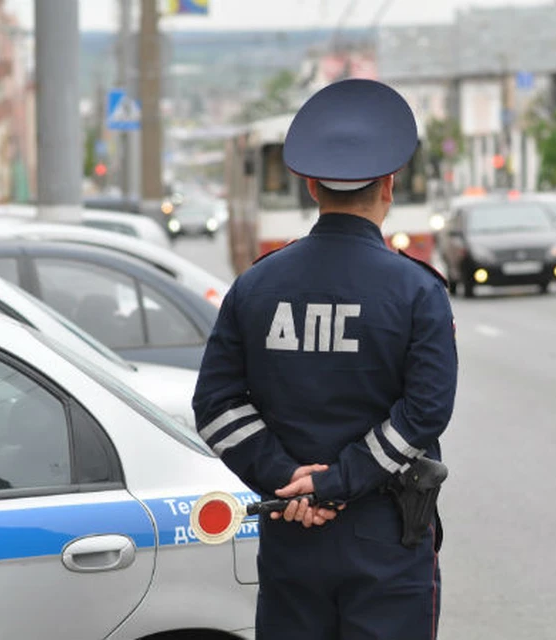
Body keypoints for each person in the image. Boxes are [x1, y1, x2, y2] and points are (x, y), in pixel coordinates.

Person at [192, 78, 459, 640]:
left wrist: (287, 476)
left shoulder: (256, 286)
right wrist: (338, 481)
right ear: (389, 184)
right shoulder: (417, 291)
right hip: (387, 538)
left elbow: (216, 406)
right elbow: (426, 412)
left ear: (311, 186)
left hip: (291, 536)